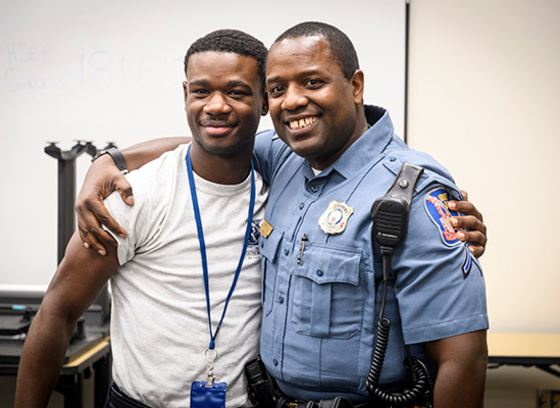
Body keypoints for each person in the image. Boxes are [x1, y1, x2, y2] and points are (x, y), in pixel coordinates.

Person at [76, 23, 488, 407]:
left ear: (356, 85)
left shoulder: (412, 191)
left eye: (313, 82)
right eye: (277, 88)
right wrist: (108, 160)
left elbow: (462, 357)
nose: (292, 100)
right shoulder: (287, 157)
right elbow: (211, 140)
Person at [15, 29, 270, 408]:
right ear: (185, 95)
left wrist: (110, 157)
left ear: (265, 99)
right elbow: (59, 311)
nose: (216, 105)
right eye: (201, 91)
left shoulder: (282, 182)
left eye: (236, 92)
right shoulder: (135, 197)